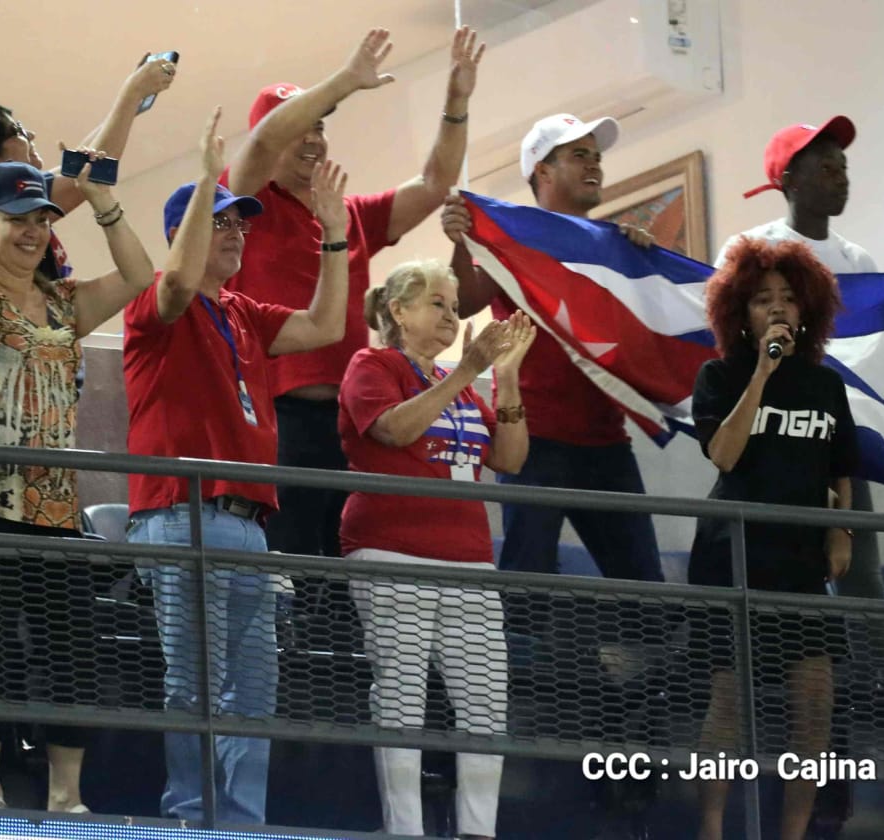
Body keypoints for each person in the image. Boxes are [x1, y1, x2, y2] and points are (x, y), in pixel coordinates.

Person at [0, 112, 158, 812]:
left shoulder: (63, 302)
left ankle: (65, 795)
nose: (33, 231)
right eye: (18, 218)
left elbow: (139, 274)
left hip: (53, 505)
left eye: (42, 219)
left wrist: (102, 200)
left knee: (71, 649)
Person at [123, 109, 349, 826]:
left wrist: (335, 236)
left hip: (250, 525)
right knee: (195, 682)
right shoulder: (156, 304)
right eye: (218, 222)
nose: (235, 232)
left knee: (254, 692)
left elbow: (326, 326)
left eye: (239, 223)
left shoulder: (247, 313)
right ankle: (192, 817)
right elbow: (175, 284)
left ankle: (242, 823)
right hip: (181, 513)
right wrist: (203, 180)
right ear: (184, 234)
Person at [224, 26, 485, 571]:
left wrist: (457, 101)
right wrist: (344, 81)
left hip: (352, 420)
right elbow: (265, 143)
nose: (314, 140)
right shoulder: (244, 205)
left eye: (320, 127)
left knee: (346, 568)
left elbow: (435, 183)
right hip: (276, 415)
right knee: (290, 565)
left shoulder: (351, 215)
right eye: (301, 127)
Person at [339, 258, 532, 838]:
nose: (452, 315)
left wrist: (506, 377)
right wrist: (466, 370)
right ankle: (406, 831)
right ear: (398, 312)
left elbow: (510, 458)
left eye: (453, 306)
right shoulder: (373, 364)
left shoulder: (461, 384)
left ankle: (478, 831)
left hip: (469, 558)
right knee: (402, 696)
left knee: (486, 702)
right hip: (392, 548)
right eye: (437, 304)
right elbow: (394, 430)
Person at [440, 112, 663, 590]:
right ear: (542, 170)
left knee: (647, 591)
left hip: (606, 439)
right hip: (532, 439)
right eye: (579, 154)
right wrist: (460, 243)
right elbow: (464, 304)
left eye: (596, 156)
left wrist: (645, 259)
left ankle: (638, 646)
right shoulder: (511, 238)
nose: (594, 164)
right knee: (528, 588)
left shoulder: (615, 246)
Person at [690, 236, 857, 840]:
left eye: (788, 296)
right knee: (730, 702)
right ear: (741, 312)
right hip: (733, 557)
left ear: (807, 306)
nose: (778, 307)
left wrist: (841, 532)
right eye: (763, 299)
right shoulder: (718, 375)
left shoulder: (826, 386)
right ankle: (711, 828)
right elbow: (724, 455)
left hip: (800, 561)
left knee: (815, 707)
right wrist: (763, 371)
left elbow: (842, 468)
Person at [716, 116, 884, 602]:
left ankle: (866, 658)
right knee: (769, 571)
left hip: (834, 429)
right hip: (767, 433)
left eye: (843, 168)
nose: (841, 178)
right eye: (827, 168)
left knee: (860, 575)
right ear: (788, 180)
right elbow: (721, 330)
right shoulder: (750, 250)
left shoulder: (859, 262)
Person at [0, 55, 178, 275]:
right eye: (17, 130)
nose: (30, 134)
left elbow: (83, 159)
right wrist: (131, 94)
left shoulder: (16, 196)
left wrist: (130, 104)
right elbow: (91, 170)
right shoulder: (10, 204)